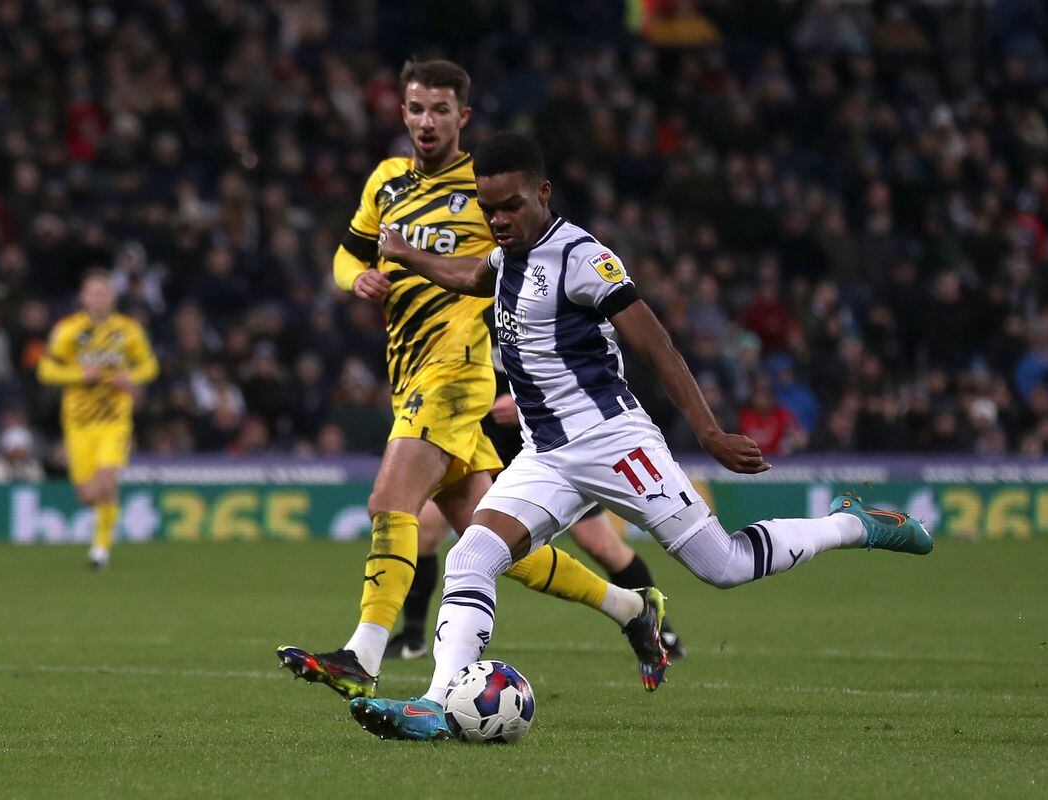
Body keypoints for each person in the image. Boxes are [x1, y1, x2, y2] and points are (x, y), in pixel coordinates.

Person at [351, 132, 933, 741]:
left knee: (724, 565)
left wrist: (706, 429)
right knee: (473, 554)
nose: (498, 219)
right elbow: (473, 275)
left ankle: (852, 523)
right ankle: (436, 703)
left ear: (543, 193)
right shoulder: (506, 256)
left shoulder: (581, 256)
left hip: (613, 443)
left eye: (511, 206)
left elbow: (655, 343)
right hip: (546, 455)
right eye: (486, 207)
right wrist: (409, 256)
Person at [277, 61, 666, 701]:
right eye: (415, 108)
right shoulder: (386, 181)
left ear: (464, 117)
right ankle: (630, 607)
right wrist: (360, 280)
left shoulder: (486, 188)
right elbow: (348, 255)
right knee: (491, 540)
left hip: (458, 365)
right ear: (401, 112)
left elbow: (525, 260)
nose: (425, 121)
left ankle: (361, 654)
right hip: (406, 368)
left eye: (439, 109)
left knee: (388, 502)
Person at [387, 390, 686, 662]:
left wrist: (523, 404)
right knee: (426, 528)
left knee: (601, 545)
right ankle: (412, 639)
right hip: (482, 447)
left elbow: (587, 376)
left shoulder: (542, 329)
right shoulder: (467, 331)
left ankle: (660, 629)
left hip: (548, 451)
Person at [37, 270, 158, 568]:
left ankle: (100, 549)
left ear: (113, 298)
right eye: (93, 293)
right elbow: (46, 371)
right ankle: (103, 536)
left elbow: (150, 366)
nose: (99, 299)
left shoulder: (128, 330)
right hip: (78, 422)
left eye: (104, 293)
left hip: (114, 419)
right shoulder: (67, 330)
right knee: (87, 494)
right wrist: (80, 375)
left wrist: (129, 377)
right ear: (83, 298)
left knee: (106, 478)